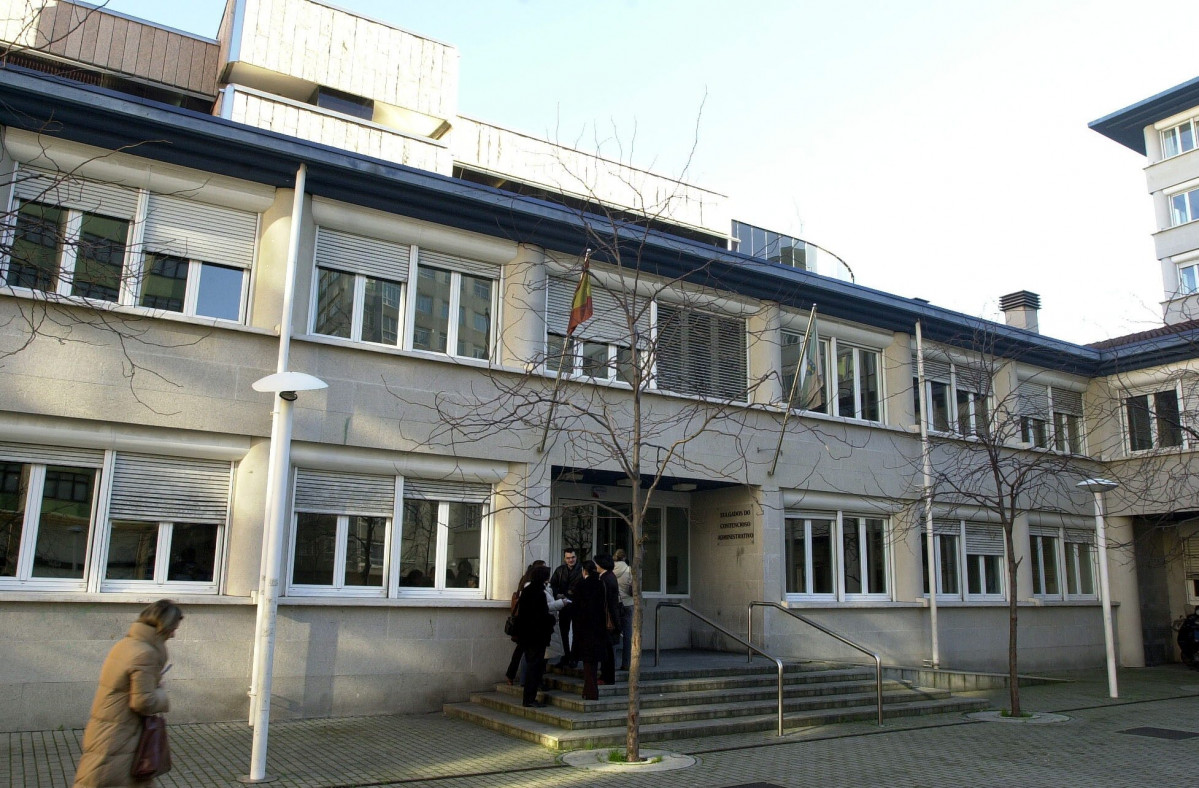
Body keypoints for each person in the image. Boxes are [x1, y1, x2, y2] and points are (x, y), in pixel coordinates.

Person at [73, 599, 182, 788]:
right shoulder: (145, 653)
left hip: (109, 731)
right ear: (162, 625)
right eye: (173, 628)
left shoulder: (127, 644)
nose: (173, 634)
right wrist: (161, 695)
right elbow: (143, 701)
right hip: (122, 737)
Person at [514, 565, 557, 708]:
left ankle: (529, 698)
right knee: (535, 667)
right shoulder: (539, 592)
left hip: (527, 635)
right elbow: (542, 615)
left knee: (532, 664)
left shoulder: (527, 590)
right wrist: (551, 621)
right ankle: (529, 699)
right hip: (537, 636)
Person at [571, 560, 609, 700]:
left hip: (584, 628)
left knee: (587, 662)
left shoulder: (581, 585)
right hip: (598, 627)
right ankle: (589, 691)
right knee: (593, 662)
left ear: (584, 571)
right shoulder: (600, 584)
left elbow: (576, 608)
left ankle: (590, 691)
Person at [549, 548, 582, 667]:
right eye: (568, 558)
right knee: (564, 631)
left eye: (572, 557)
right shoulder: (560, 570)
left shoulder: (581, 570)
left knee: (577, 632)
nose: (570, 560)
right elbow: (553, 585)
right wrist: (557, 594)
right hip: (563, 605)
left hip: (577, 606)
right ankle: (566, 656)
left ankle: (574, 657)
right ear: (564, 559)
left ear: (576, 557)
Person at [594, 553, 622, 685]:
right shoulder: (609, 577)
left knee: (607, 651)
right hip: (609, 619)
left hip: (607, 620)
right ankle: (606, 675)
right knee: (608, 650)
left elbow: (610, 603)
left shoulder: (606, 579)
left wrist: (615, 623)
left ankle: (607, 676)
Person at [612, 549, 634, 670]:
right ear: (624, 558)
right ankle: (626, 663)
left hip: (615, 604)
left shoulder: (609, 570)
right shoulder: (629, 570)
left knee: (613, 632)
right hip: (627, 603)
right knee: (627, 634)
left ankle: (612, 662)